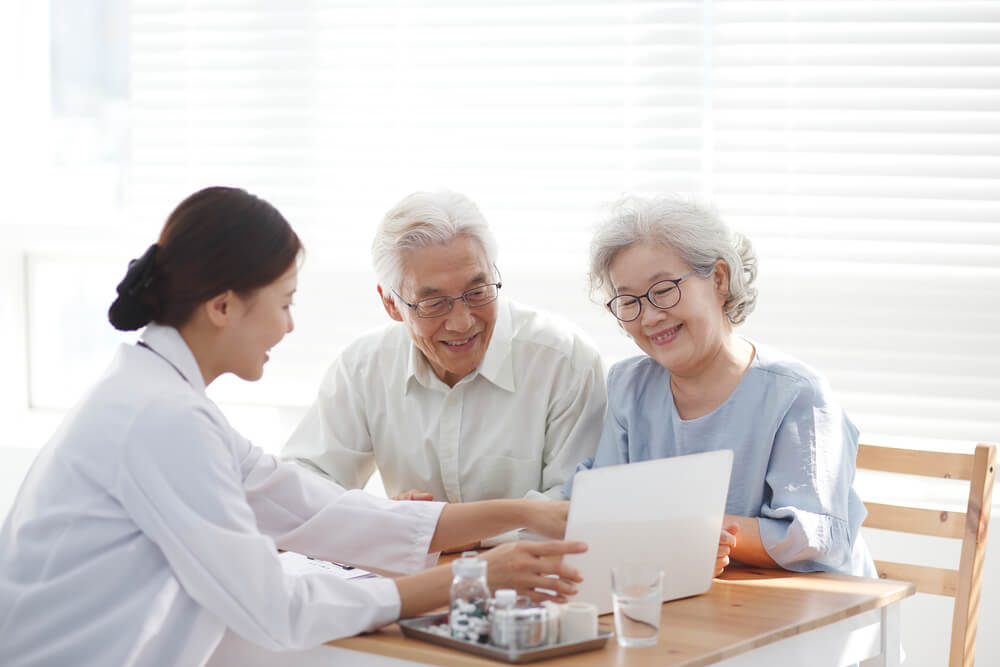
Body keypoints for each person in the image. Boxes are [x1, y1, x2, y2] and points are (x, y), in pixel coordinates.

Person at [0, 186, 586, 667]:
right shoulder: (162, 419)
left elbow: (317, 509)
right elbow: (275, 608)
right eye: (284, 303)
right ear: (223, 307)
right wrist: (471, 577)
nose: (288, 327)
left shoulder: (162, 398)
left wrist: (521, 513)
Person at [565, 195, 876, 578]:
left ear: (719, 279)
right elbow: (606, 506)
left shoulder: (799, 394)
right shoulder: (629, 386)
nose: (648, 316)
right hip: (700, 602)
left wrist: (684, 532)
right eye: (628, 301)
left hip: (821, 616)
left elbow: (814, 540)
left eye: (662, 291)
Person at [282, 190, 606, 505]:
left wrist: (434, 530)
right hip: (412, 561)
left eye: (477, 292)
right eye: (434, 303)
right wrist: (377, 516)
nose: (462, 323)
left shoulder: (565, 360)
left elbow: (573, 506)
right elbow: (302, 485)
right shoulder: (364, 367)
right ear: (391, 304)